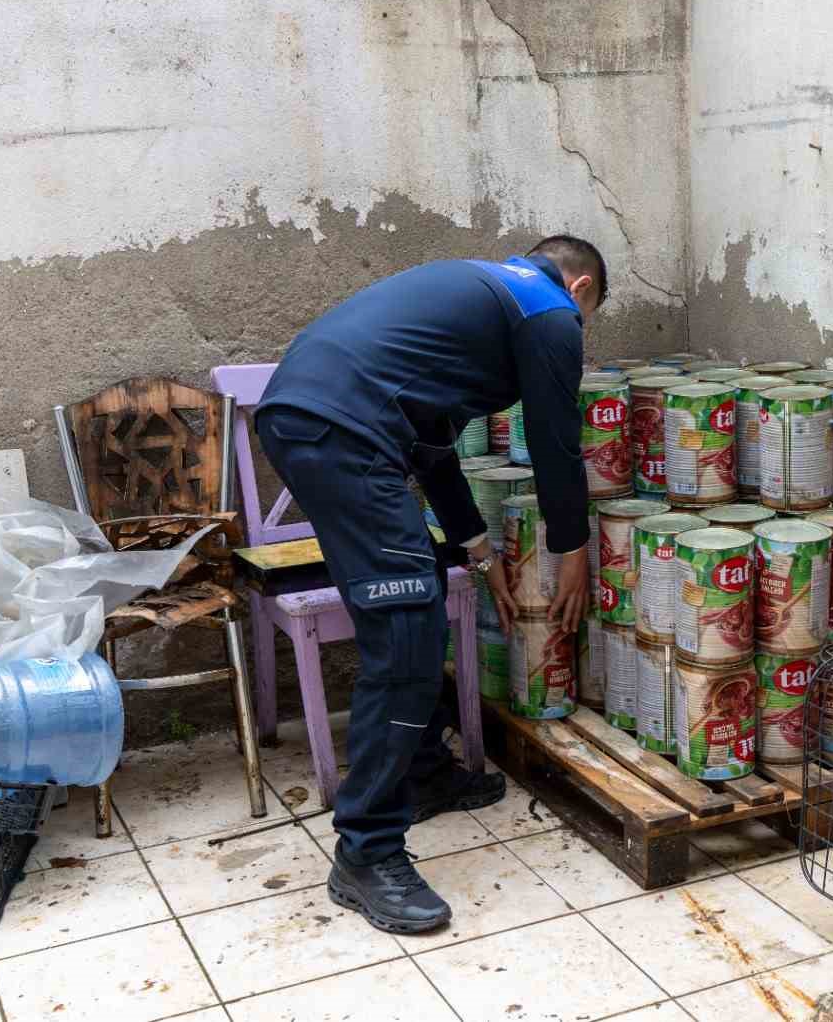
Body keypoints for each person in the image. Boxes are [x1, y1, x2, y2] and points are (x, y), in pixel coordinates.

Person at [255, 235, 606, 933]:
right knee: (407, 634)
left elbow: (435, 451)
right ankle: (366, 850)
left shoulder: (475, 307)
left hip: (317, 421)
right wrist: (573, 548)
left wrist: (477, 550)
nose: (578, 333)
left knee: (410, 609)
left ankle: (422, 773)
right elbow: (555, 437)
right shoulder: (549, 310)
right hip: (341, 432)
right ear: (584, 288)